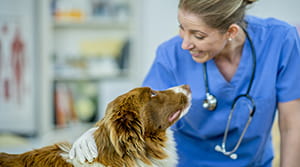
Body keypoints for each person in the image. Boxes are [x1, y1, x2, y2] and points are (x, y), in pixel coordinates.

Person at [69, 0, 300, 166]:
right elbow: (142, 112)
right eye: (181, 27)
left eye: (198, 35)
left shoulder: (280, 40)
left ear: (230, 32)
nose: (185, 44)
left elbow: (292, 124)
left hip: (254, 163)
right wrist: (100, 132)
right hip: (187, 163)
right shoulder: (170, 54)